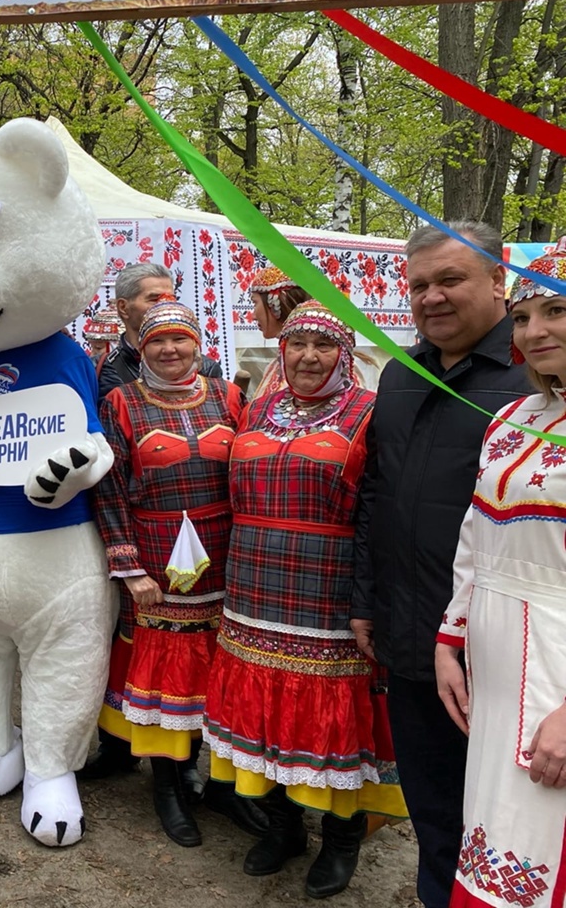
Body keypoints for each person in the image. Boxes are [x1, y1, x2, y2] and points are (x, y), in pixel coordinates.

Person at [351, 222, 528, 908]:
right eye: (419, 284)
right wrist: (366, 602)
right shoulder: (399, 376)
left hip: (501, 648)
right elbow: (376, 497)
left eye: (450, 280)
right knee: (431, 812)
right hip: (409, 638)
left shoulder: (533, 379)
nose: (432, 298)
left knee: (507, 818)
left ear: (497, 281)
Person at [205, 301, 406, 899]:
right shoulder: (258, 410)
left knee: (329, 722)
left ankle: (341, 839)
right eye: (297, 345)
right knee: (262, 715)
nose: (308, 356)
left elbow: (378, 513)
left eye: (323, 345)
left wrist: (368, 597)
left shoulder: (369, 414)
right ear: (281, 350)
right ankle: (284, 827)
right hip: (249, 587)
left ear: (344, 354)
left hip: (328, 592)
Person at [92, 298, 265, 847]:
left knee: (218, 673)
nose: (169, 350)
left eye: (180, 339)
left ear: (198, 344)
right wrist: (128, 567)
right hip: (158, 561)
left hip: (225, 556)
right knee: (166, 678)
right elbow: (109, 489)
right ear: (141, 347)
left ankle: (214, 781)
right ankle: (167, 785)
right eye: (157, 341)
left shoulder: (229, 397)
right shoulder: (121, 403)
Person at [435, 255, 566, 907]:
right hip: (496, 673)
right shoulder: (514, 419)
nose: (535, 329)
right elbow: (475, 538)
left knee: (541, 852)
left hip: (556, 672)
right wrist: (449, 637)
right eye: (523, 317)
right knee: (489, 838)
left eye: (557, 309)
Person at [243, 265, 379, 398]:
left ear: (276, 302)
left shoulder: (341, 369)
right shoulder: (277, 366)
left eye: (255, 303)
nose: (309, 357)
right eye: (298, 344)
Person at [97, 263, 223, 398]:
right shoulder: (99, 370)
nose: (165, 305)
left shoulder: (205, 369)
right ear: (123, 308)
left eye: (171, 298)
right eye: (154, 299)